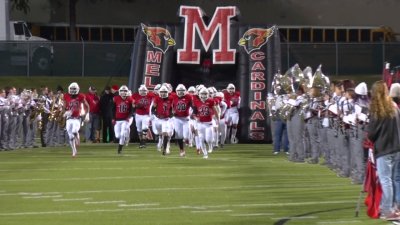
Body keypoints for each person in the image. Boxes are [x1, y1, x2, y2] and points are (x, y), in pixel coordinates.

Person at [367, 80, 400, 220]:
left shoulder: (377, 109)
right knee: (395, 179)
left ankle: (388, 210)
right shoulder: (394, 106)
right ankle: (396, 206)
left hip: (384, 148)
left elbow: (371, 133)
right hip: (397, 148)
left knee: (386, 179)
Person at [63, 82, 90, 157]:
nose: (72, 90)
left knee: (74, 130)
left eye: (74, 89)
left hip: (77, 117)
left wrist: (87, 115)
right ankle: (74, 150)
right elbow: (64, 106)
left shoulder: (81, 96)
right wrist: (65, 112)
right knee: (70, 136)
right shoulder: (66, 96)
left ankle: (77, 135)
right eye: (71, 89)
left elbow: (87, 106)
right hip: (69, 118)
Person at [150, 85, 174, 155]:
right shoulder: (157, 98)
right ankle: (161, 141)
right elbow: (152, 109)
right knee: (160, 134)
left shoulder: (171, 98)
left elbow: (173, 109)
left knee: (165, 133)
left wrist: (170, 115)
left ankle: (165, 148)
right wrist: (156, 114)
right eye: (162, 92)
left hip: (166, 119)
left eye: (164, 92)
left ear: (167, 92)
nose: (163, 93)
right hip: (158, 119)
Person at [172, 84, 192, 156]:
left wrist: (194, 113)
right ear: (176, 91)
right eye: (179, 91)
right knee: (179, 136)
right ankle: (182, 150)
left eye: (182, 91)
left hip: (186, 118)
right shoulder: (173, 96)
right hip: (177, 118)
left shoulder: (189, 97)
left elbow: (193, 106)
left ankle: (188, 140)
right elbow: (170, 106)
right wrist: (172, 111)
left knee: (186, 136)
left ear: (185, 91)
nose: (180, 92)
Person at [112, 85, 134, 154]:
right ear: (119, 92)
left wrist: (129, 117)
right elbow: (113, 109)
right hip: (118, 120)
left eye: (125, 91)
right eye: (122, 91)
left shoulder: (130, 99)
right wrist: (113, 118)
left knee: (122, 134)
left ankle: (120, 149)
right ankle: (126, 137)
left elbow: (132, 110)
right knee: (117, 136)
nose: (124, 92)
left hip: (125, 119)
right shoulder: (116, 98)